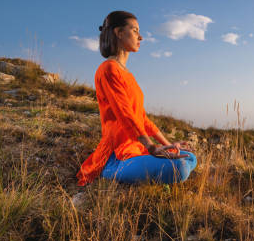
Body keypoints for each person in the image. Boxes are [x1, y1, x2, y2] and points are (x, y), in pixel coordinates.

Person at [76, 10, 197, 186]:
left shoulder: (128, 75)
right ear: (119, 33)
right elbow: (125, 115)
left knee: (190, 157)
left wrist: (168, 145)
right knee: (180, 168)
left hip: (136, 148)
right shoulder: (108, 69)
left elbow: (141, 118)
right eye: (135, 30)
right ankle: (109, 171)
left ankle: (144, 164)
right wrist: (152, 147)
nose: (140, 37)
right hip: (117, 154)